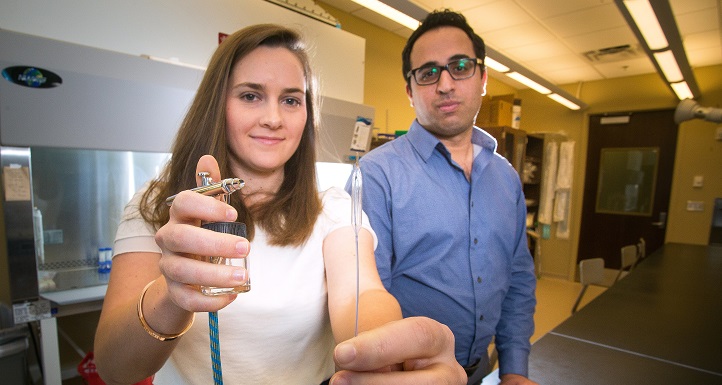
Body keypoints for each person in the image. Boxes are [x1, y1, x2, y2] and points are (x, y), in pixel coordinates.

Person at [94, 24, 466, 385]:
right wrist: (172, 293)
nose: (273, 119)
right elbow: (114, 369)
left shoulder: (332, 209)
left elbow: (362, 293)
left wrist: (388, 353)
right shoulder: (158, 204)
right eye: (250, 95)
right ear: (217, 105)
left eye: (290, 100)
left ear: (307, 114)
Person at [347, 10, 538, 385]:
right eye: (429, 72)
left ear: (482, 78)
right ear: (410, 89)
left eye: (460, 66)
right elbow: (367, 296)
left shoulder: (507, 178)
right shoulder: (376, 175)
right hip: (408, 377)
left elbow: (517, 280)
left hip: (483, 372)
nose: (446, 84)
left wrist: (515, 369)